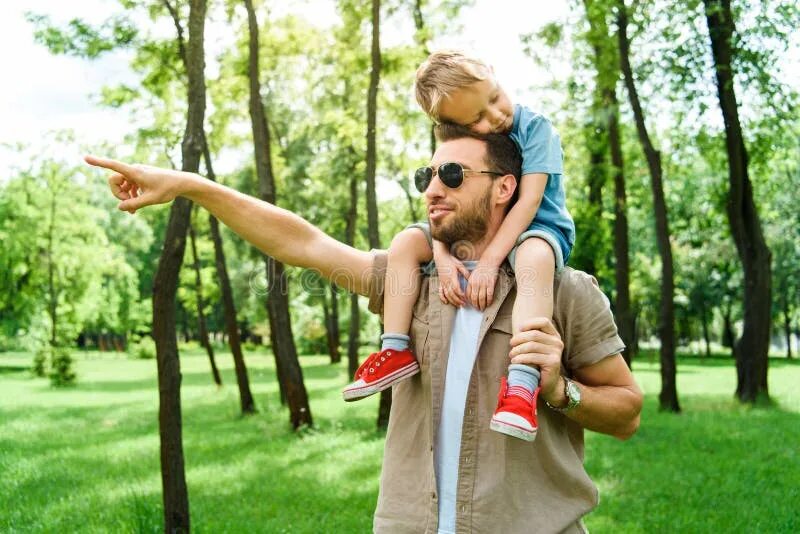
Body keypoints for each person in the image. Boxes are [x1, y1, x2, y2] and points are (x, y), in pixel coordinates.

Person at [85, 123, 642, 533]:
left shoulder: (564, 292)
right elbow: (302, 244)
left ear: (504, 188)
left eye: (452, 175)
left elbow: (627, 412)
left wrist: (559, 390)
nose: (432, 188)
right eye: (427, 175)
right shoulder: (411, 282)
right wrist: (188, 185)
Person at [342, 51, 575, 444]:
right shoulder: (467, 141)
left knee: (534, 257)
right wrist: (443, 257)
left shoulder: (536, 129)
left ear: (494, 73)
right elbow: (443, 216)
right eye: (476, 120)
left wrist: (489, 264)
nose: (494, 118)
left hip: (537, 228)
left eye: (494, 98)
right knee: (403, 243)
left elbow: (528, 204)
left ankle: (521, 384)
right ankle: (395, 347)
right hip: (474, 230)